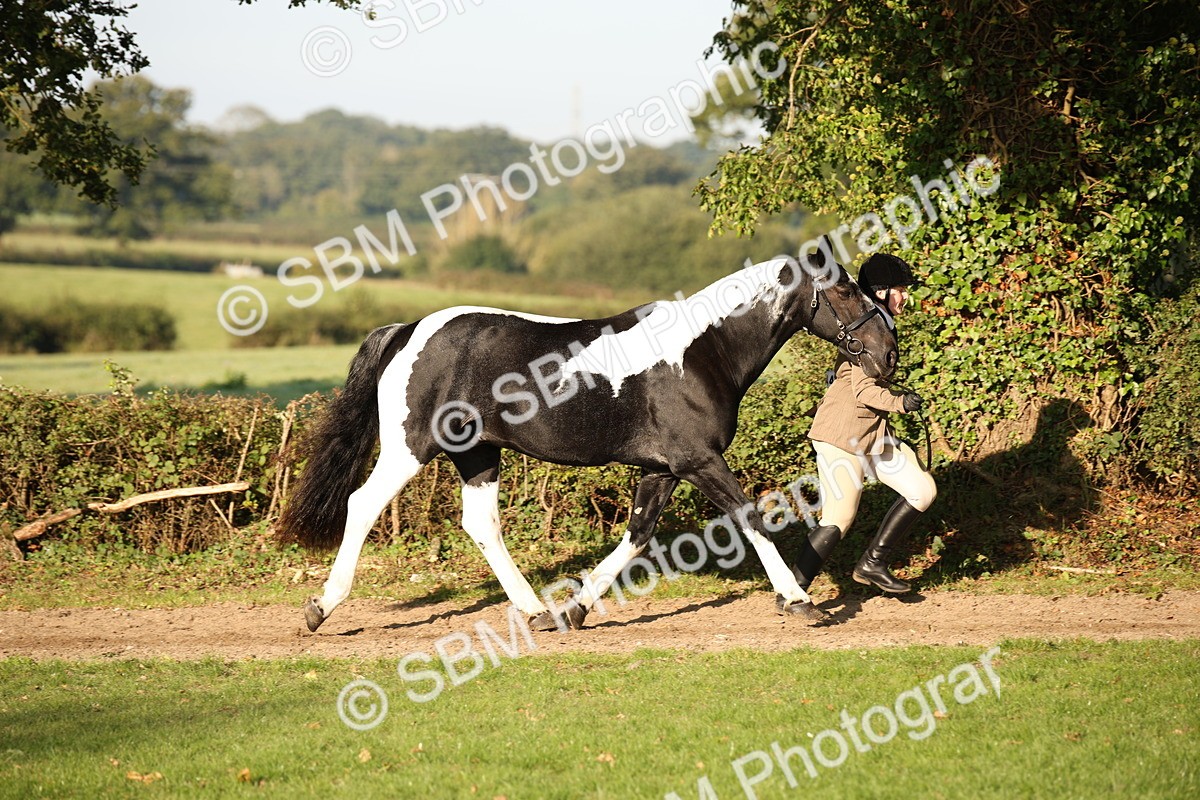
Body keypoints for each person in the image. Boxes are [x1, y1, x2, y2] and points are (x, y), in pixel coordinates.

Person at [794, 252, 936, 597]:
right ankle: (793, 589)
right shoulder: (867, 326)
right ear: (882, 291)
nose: (905, 297)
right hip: (842, 435)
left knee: (922, 490)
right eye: (900, 290)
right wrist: (900, 403)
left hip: (872, 435)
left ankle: (872, 564)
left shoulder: (881, 322)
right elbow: (864, 390)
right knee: (839, 519)